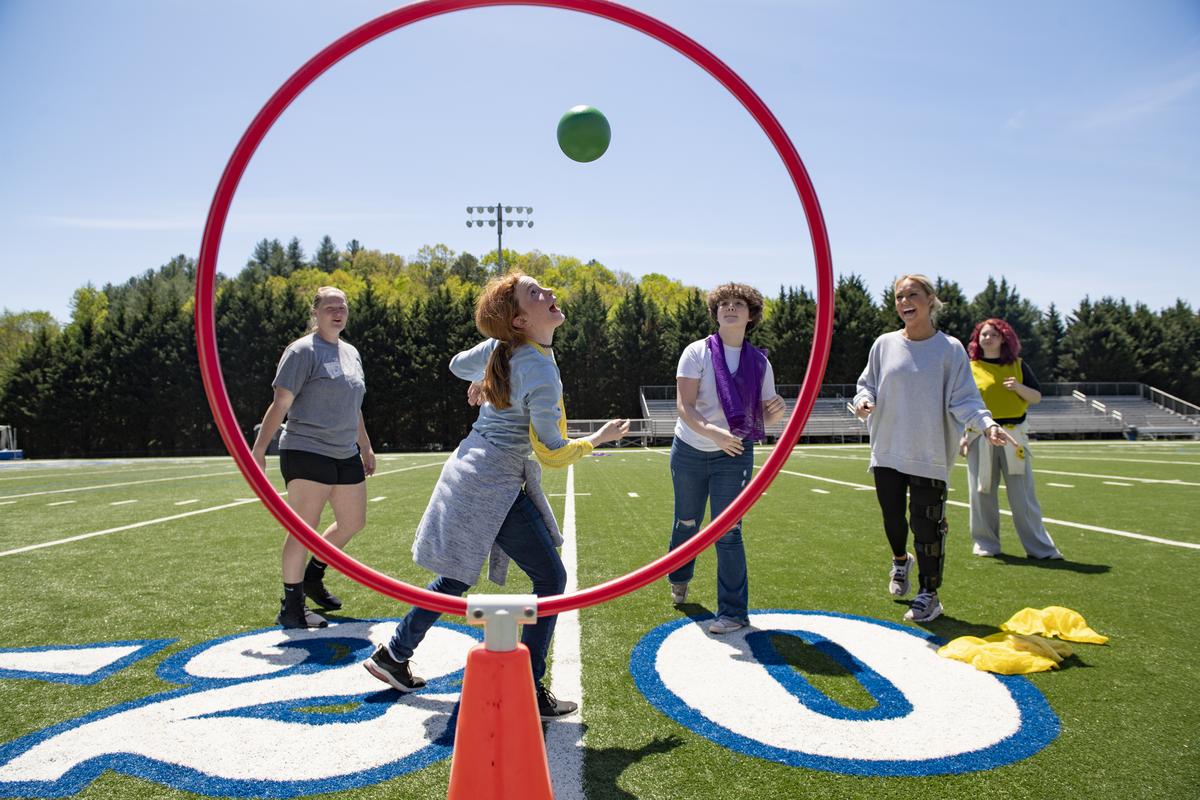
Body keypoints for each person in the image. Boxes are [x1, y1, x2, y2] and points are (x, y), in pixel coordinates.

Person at [362, 271, 628, 720]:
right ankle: (527, 685)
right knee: (551, 580)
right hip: (491, 481)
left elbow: (455, 365)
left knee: (455, 577)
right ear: (521, 320)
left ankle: (393, 654)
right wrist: (598, 438)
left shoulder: (504, 349)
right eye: (535, 293)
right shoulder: (538, 367)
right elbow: (553, 452)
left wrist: (487, 377)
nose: (550, 292)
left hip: (471, 469)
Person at [853, 275, 1010, 623]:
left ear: (930, 300)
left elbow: (966, 399)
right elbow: (867, 385)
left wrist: (987, 425)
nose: (905, 301)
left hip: (930, 453)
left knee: (927, 527)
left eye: (913, 295)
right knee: (893, 519)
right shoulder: (883, 344)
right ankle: (899, 561)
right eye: (899, 296)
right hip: (888, 449)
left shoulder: (950, 349)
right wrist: (864, 401)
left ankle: (929, 593)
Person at [251, 286, 376, 629]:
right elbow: (281, 404)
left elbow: (354, 406)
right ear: (316, 313)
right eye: (330, 307)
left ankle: (312, 577)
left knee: (353, 522)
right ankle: (291, 607)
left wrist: (364, 446)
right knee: (304, 529)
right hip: (306, 449)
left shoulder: (351, 352)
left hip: (344, 451)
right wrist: (259, 450)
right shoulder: (302, 351)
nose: (338, 312)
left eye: (343, 307)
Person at [665, 283, 786, 634]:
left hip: (733, 454)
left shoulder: (760, 363)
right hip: (690, 449)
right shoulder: (696, 352)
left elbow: (764, 413)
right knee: (686, 522)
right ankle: (680, 575)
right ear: (716, 312)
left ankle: (733, 612)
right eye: (724, 304)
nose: (730, 308)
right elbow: (684, 407)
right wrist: (713, 433)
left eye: (738, 304)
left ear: (751, 315)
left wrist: (774, 417)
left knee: (729, 531)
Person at [960, 318, 1063, 559]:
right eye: (983, 334)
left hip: (1013, 435)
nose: (988, 338)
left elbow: (1036, 397)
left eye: (994, 335)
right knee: (981, 491)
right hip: (981, 435)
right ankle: (986, 543)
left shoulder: (1018, 365)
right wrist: (964, 436)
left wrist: (1018, 387)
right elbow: (963, 403)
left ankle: (1039, 548)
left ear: (1005, 338)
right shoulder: (969, 367)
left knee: (1023, 496)